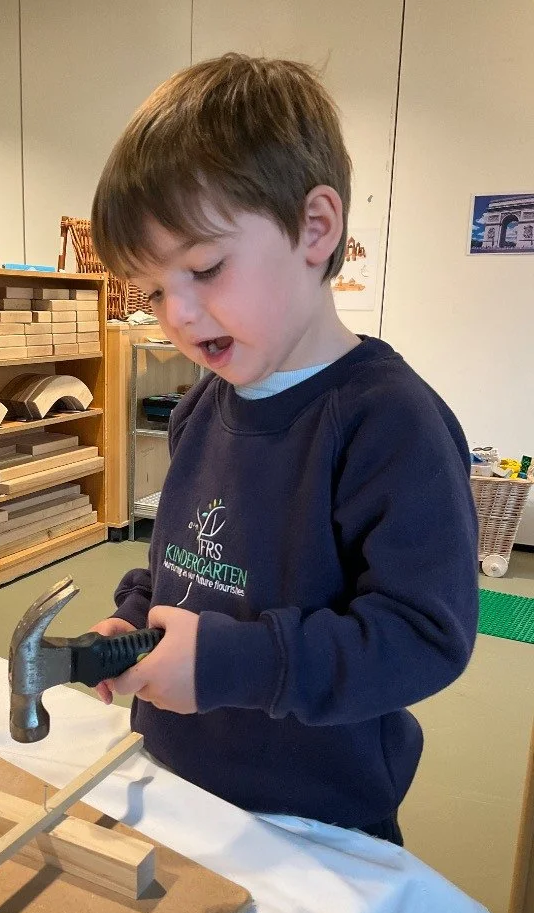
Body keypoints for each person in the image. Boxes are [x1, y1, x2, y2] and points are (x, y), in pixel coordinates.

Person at [87, 53, 478, 844]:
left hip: (318, 821)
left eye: (204, 267)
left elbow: (425, 637)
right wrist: (131, 621)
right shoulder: (201, 405)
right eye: (153, 290)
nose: (179, 314)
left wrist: (237, 664)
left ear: (314, 227)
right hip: (179, 783)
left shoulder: (389, 422)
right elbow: (188, 567)